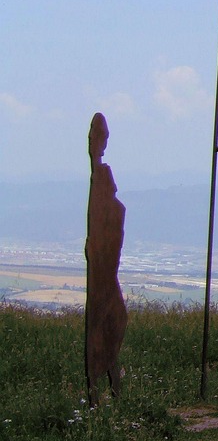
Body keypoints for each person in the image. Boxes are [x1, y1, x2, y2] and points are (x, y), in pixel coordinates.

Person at [85, 112, 127, 405]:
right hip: (100, 270)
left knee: (111, 322)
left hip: (104, 270)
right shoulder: (97, 176)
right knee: (103, 324)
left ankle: (108, 385)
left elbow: (113, 213)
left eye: (98, 137)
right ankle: (101, 388)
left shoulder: (102, 176)